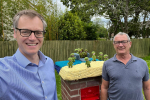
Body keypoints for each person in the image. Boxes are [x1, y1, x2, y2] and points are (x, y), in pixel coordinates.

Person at [0, 10, 58, 100]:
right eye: (25, 32)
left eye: (38, 32)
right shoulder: (4, 71)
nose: (32, 38)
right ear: (15, 33)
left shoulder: (49, 63)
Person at [101, 32, 150, 100]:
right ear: (114, 45)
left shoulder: (142, 63)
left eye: (124, 42)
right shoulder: (107, 64)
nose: (120, 45)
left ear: (130, 44)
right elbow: (104, 87)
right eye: (117, 42)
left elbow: (147, 88)